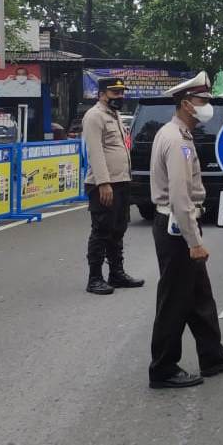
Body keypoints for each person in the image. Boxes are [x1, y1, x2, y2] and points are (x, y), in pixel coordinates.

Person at [148, 72, 223, 389]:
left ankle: (212, 355)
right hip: (176, 229)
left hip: (177, 225)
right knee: (174, 300)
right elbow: (180, 196)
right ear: (187, 104)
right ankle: (163, 368)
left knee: (199, 295)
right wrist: (194, 241)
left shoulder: (178, 135)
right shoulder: (177, 141)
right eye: (202, 101)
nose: (207, 107)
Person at [82, 77, 143, 295]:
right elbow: (96, 152)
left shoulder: (115, 115)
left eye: (121, 92)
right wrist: (104, 183)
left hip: (121, 181)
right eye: (114, 93)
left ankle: (116, 274)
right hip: (103, 184)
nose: (120, 96)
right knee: (101, 231)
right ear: (101, 94)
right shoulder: (94, 116)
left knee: (118, 230)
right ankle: (94, 278)